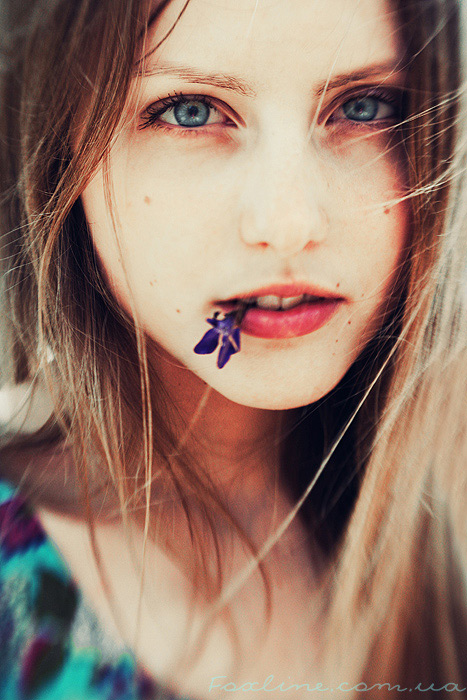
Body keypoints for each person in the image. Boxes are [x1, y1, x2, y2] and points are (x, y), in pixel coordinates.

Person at [0, 0, 466, 697]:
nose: (289, 223)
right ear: (59, 151)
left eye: (365, 106)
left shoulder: (443, 546)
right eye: (190, 110)